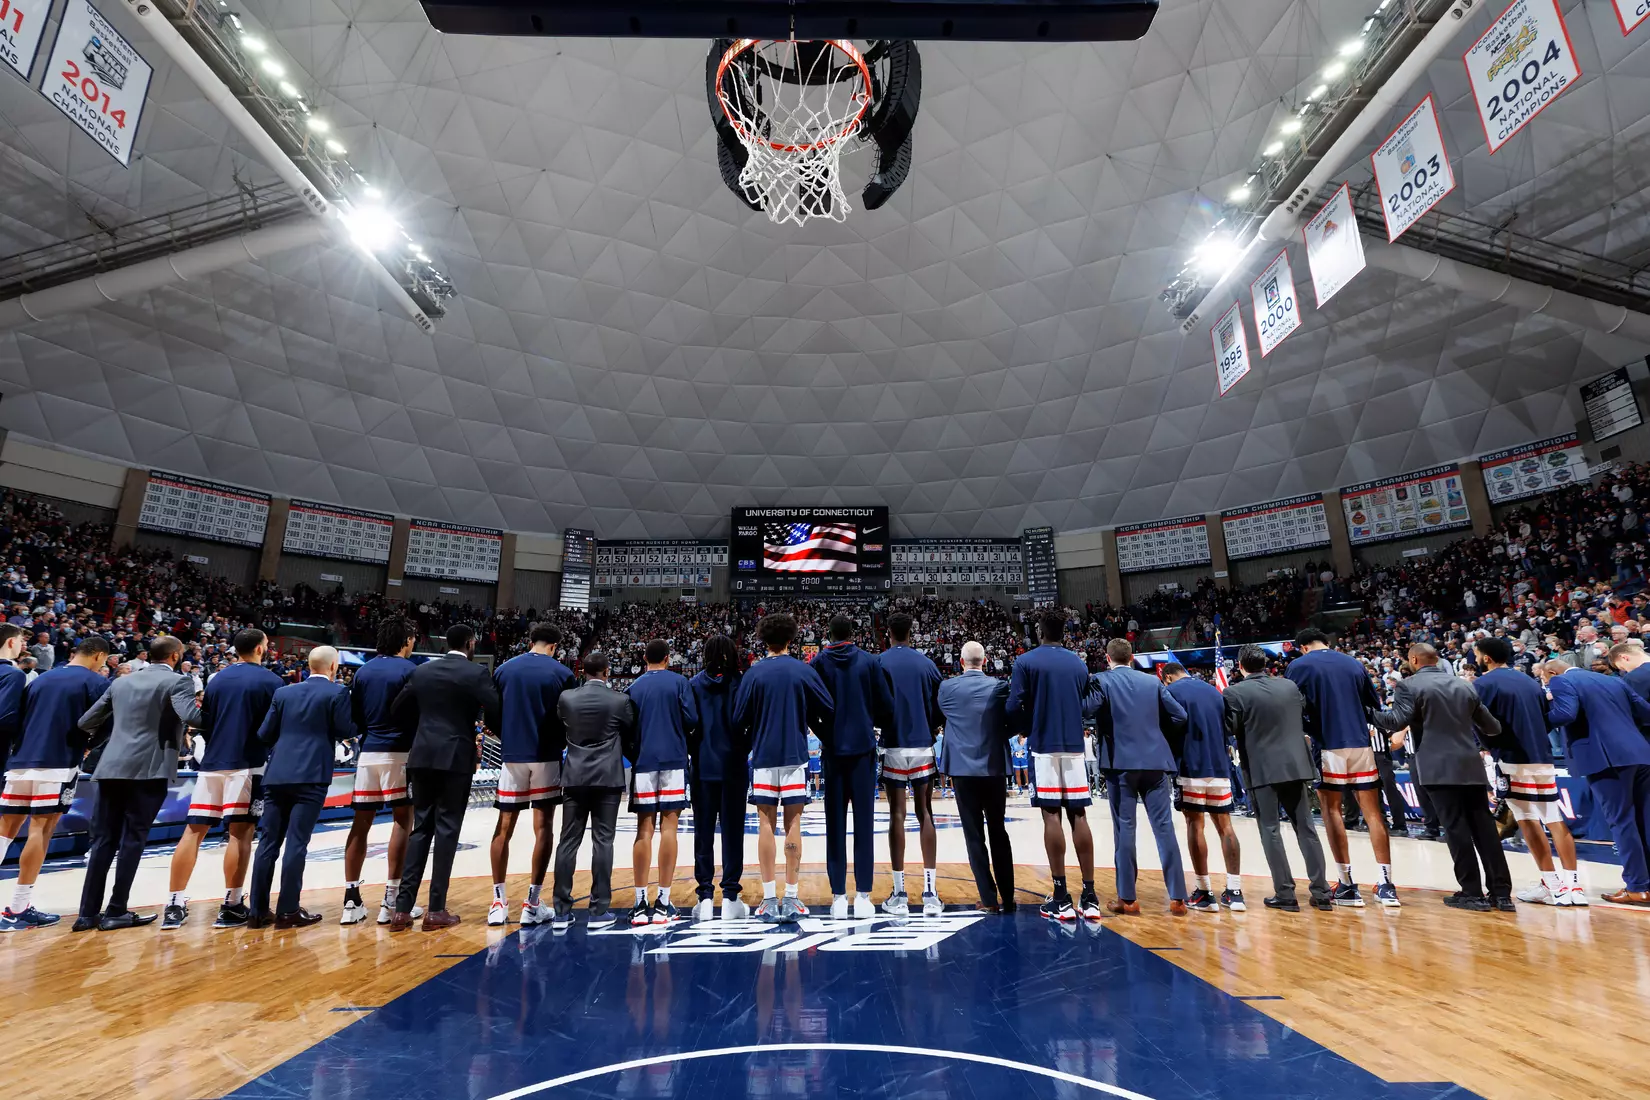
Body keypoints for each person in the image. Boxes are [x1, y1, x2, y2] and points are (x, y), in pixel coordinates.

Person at [73, 635, 202, 931]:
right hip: (150, 768)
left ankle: (87, 914)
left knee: (103, 840)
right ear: (175, 656)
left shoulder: (120, 682)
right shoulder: (179, 682)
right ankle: (116, 910)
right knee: (133, 839)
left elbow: (86, 721)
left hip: (111, 767)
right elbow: (194, 717)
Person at [1371, 644, 1508, 912]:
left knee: (1456, 830)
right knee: (1485, 828)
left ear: (1413, 659)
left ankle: (1471, 893)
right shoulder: (1465, 685)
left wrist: (1369, 713)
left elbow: (1395, 722)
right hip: (1470, 765)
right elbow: (1493, 727)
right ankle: (1501, 894)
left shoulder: (1408, 685)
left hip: (1437, 766)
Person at [162, 629, 283, 930]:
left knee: (193, 832)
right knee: (240, 834)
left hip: (212, 763)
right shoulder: (272, 681)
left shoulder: (217, 680)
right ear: (259, 649)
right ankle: (231, 904)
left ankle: (174, 904)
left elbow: (206, 720)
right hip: (248, 763)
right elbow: (273, 728)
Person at [388, 623, 502, 930]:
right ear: (469, 643)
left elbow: (396, 710)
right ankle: (436, 909)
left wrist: (424, 729)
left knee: (420, 828)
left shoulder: (422, 671)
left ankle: (401, 909)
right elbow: (496, 710)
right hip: (455, 757)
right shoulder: (476, 674)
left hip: (422, 755)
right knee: (447, 829)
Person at [0, 635, 109, 931]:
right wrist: (86, 746)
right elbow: (107, 725)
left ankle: (18, 908)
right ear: (99, 656)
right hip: (58, 763)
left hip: (20, 762)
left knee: (4, 831)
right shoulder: (96, 683)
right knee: (41, 830)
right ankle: (18, 909)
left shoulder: (39, 679)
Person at [1285, 628, 1399, 907]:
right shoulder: (1353, 663)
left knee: (1332, 811)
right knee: (1372, 813)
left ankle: (1347, 885)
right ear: (1327, 641)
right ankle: (1386, 885)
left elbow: (1291, 707)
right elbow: (1373, 704)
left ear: (1303, 647)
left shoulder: (1298, 666)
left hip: (1327, 744)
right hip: (1360, 742)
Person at [247, 646, 357, 929]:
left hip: (277, 773)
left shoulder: (284, 692)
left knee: (268, 843)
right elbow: (347, 730)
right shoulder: (337, 693)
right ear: (333, 667)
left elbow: (264, 733)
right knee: (297, 843)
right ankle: (287, 910)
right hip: (311, 775)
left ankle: (257, 911)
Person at [734, 613, 833, 924]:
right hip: (794, 757)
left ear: (764, 640)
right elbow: (827, 707)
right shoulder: (802, 670)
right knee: (793, 825)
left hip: (763, 757)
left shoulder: (754, 673)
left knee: (765, 823)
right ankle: (790, 897)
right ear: (792, 638)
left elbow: (739, 719)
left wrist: (756, 735)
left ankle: (766, 899)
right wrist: (805, 719)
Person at [1477, 637, 1585, 906]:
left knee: (1526, 818)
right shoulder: (1529, 681)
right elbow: (1546, 717)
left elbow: (1481, 723)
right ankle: (1573, 887)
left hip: (1512, 757)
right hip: (1541, 756)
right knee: (1553, 817)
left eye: (1477, 654)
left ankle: (1551, 884)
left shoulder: (1482, 684)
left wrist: (1486, 747)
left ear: (1486, 658)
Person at [1223, 645, 1331, 911]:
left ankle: (1285, 893)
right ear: (1265, 663)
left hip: (1262, 770)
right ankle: (1322, 892)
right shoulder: (1290, 687)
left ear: (1240, 666)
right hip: (1296, 766)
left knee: (1270, 830)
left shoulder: (1234, 692)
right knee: (1306, 828)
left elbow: (1230, 728)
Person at [1007, 610, 1097, 921]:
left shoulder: (1026, 661)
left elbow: (1012, 704)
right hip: (1073, 746)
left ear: (1040, 632)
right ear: (1064, 632)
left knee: (1051, 817)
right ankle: (1091, 894)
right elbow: (1088, 702)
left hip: (1043, 746)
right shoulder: (1078, 662)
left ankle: (1060, 896)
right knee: (1079, 815)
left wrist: (1024, 726)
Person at [1087, 639, 1189, 916]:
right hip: (1156, 762)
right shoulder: (1152, 682)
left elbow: (1087, 710)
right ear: (1131, 657)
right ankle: (1178, 897)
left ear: (1108, 659)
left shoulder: (1101, 680)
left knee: (1125, 829)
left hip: (1121, 763)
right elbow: (1179, 716)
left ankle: (1128, 899)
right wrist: (1156, 735)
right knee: (1165, 828)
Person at [487, 622, 577, 928]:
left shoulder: (503, 670)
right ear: (554, 647)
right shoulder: (562, 673)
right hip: (546, 756)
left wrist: (509, 737)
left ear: (531, 641)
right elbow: (569, 716)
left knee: (503, 828)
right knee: (544, 827)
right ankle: (532, 903)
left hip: (512, 755)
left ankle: (498, 903)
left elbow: (492, 714)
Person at [1543, 659, 1650, 905]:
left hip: (1605, 758)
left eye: (1544, 680)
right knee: (1645, 820)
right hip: (1641, 753)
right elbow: (1646, 712)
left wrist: (1537, 718)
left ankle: (1637, 887)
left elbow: (1565, 713)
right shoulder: (1614, 680)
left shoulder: (1561, 680)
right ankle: (1644, 883)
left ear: (1551, 672)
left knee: (1622, 821)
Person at [809, 614, 893, 920]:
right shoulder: (870, 662)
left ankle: (838, 898)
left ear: (828, 633)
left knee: (835, 827)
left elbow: (809, 708)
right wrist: (871, 726)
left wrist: (824, 735)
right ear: (852, 632)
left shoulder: (818, 663)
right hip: (862, 751)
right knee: (864, 826)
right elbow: (887, 706)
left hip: (833, 752)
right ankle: (864, 896)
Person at [341, 617, 421, 926]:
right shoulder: (410, 671)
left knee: (360, 824)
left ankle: (351, 901)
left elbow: (356, 718)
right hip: (400, 752)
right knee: (403, 821)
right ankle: (392, 899)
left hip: (368, 752)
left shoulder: (362, 672)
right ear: (405, 640)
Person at [552, 651, 638, 929]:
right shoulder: (620, 700)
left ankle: (561, 912)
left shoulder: (567, 698)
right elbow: (629, 731)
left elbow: (559, 726)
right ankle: (599, 911)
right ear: (607, 671)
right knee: (603, 842)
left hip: (574, 777)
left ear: (583, 671)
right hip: (607, 778)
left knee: (568, 842)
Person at [937, 641, 1015, 913]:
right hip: (993, 766)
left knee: (974, 835)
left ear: (960, 662)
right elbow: (1012, 717)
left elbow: (944, 714)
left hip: (962, 769)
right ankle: (1009, 896)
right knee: (998, 832)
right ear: (986, 660)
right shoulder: (1000, 686)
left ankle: (989, 900)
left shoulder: (947, 688)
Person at [624, 638, 698, 925]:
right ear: (668, 658)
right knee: (670, 827)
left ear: (644, 658)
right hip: (673, 761)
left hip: (644, 763)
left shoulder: (633, 688)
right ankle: (664, 902)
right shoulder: (679, 683)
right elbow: (692, 720)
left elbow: (626, 728)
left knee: (644, 829)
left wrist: (636, 753)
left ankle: (640, 902)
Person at [876, 613, 944, 916]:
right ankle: (930, 893)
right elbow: (940, 705)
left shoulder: (880, 662)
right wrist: (930, 727)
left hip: (892, 743)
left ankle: (899, 892)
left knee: (897, 814)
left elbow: (873, 704)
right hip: (922, 744)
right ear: (911, 633)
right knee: (925, 812)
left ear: (889, 633)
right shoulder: (927, 664)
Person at [1162, 663, 1244, 912]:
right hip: (1219, 766)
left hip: (1191, 765)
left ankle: (1204, 891)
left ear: (1167, 678)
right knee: (1225, 826)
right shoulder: (1214, 691)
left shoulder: (1171, 692)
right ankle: (1235, 891)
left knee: (1195, 825)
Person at [687, 635, 749, 922]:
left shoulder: (693, 684)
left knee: (703, 832)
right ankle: (731, 897)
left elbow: (688, 725)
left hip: (702, 767)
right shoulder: (741, 683)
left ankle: (704, 897)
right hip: (734, 767)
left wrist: (696, 751)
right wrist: (741, 749)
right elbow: (749, 724)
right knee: (733, 832)